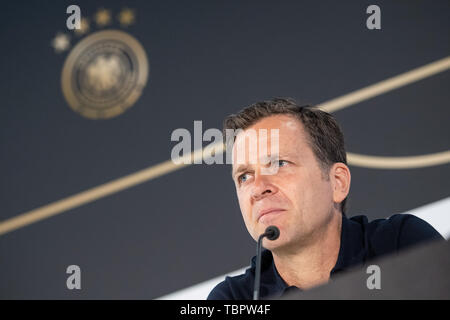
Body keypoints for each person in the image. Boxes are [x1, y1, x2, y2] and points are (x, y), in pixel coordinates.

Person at [207, 98, 444, 300]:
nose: (258, 188)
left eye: (279, 164)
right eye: (245, 176)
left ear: (337, 182)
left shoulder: (399, 245)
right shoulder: (234, 298)